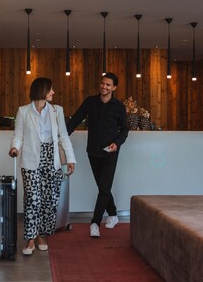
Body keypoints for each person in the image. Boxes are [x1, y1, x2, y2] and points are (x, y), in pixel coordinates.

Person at [9, 77, 76, 256]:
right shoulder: (23, 111)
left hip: (52, 159)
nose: (53, 92)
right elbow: (19, 135)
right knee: (32, 199)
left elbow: (63, 136)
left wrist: (71, 159)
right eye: (50, 89)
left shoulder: (56, 110)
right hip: (31, 161)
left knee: (49, 200)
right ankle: (31, 239)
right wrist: (14, 147)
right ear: (41, 91)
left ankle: (41, 236)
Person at [67, 72, 128, 238]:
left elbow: (124, 130)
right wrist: (62, 137)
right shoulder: (90, 102)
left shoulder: (118, 106)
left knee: (104, 188)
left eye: (108, 85)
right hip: (93, 151)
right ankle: (113, 214)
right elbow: (75, 120)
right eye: (103, 83)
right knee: (103, 187)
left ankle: (95, 223)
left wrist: (117, 143)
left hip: (110, 152)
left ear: (114, 88)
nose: (104, 86)